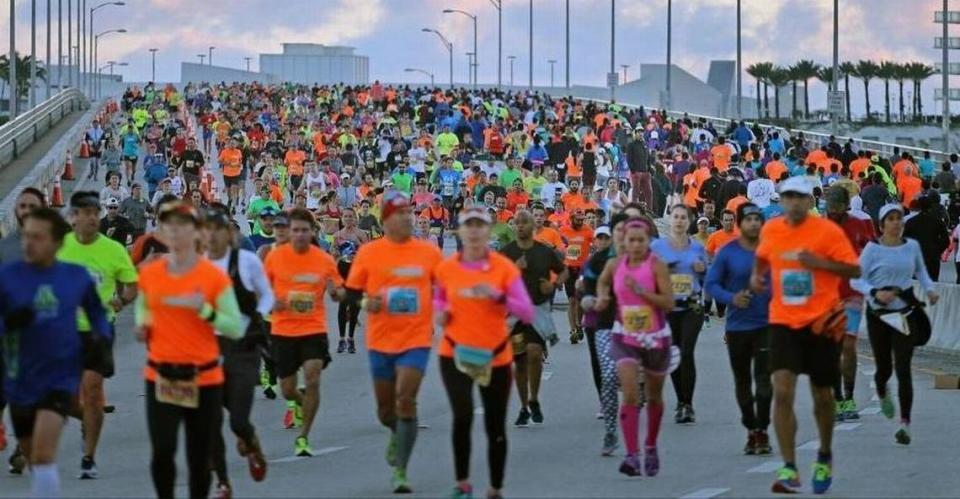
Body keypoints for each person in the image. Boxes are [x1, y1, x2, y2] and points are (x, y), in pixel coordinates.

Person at [749, 176, 860, 495]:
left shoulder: (827, 232)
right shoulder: (772, 229)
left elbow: (854, 271)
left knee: (823, 395)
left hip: (822, 322)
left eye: (801, 197)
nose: (794, 202)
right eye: (788, 197)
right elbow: (763, 256)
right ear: (781, 201)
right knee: (782, 390)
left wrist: (819, 263)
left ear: (811, 201)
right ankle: (790, 466)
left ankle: (824, 454)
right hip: (783, 321)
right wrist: (757, 277)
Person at [135, 201, 242, 499]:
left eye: (183, 226)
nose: (176, 233)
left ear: (196, 233)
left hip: (204, 378)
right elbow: (144, 308)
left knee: (198, 457)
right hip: (161, 376)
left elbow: (234, 327)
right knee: (163, 451)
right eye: (170, 227)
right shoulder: (151, 274)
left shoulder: (213, 277)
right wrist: (143, 326)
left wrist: (206, 312)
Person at [0, 208, 110, 497]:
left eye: (37, 237)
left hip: (59, 377)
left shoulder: (75, 277)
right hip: (20, 379)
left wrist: (100, 337)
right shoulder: (8, 276)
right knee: (32, 455)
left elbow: (98, 314)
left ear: (57, 242)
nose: (28, 243)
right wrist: (8, 323)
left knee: (44, 453)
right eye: (25, 237)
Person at [344, 191, 443, 493]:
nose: (407, 217)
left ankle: (401, 469)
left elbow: (446, 287)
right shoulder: (370, 253)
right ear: (386, 219)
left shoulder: (428, 253)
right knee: (386, 411)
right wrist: (365, 304)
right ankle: (395, 433)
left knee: (406, 399)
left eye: (409, 213)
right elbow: (351, 293)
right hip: (381, 340)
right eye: (399, 213)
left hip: (416, 338)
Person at [434, 207, 534, 499]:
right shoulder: (447, 268)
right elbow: (439, 299)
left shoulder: (503, 268)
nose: (475, 231)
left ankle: (495, 487)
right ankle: (462, 483)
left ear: (489, 232)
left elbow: (526, 311)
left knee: (494, 423)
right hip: (455, 351)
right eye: (469, 226)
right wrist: (441, 313)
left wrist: (498, 296)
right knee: (462, 415)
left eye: (480, 226)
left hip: (495, 354)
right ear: (460, 232)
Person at [56, 191, 138, 480]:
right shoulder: (60, 248)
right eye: (85, 212)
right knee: (64, 398)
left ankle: (88, 457)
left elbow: (131, 285)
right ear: (73, 217)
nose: (92, 217)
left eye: (96, 212)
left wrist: (123, 300)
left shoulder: (113, 249)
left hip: (99, 328)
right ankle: (85, 420)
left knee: (91, 390)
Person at [852, 204, 939, 446]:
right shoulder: (872, 249)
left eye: (899, 218)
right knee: (884, 369)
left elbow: (921, 272)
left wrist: (930, 291)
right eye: (890, 219)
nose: (896, 223)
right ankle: (881, 389)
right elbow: (856, 279)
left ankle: (905, 424)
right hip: (879, 314)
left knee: (903, 368)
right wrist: (875, 292)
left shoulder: (911, 247)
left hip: (905, 312)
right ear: (882, 225)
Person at [595, 218, 675, 477]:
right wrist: (603, 296)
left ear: (648, 242)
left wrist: (642, 292)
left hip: (655, 337)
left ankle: (650, 445)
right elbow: (603, 281)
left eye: (641, 240)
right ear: (624, 242)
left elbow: (668, 303)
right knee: (629, 394)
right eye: (632, 240)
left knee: (653, 396)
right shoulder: (615, 264)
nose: (637, 245)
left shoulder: (657, 266)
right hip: (625, 336)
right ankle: (632, 454)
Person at [264, 208, 346, 456]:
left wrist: (336, 293)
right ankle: (300, 403)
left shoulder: (323, 260)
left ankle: (303, 437)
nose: (299, 235)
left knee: (312, 377)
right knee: (287, 389)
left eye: (304, 230)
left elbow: (340, 292)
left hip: (313, 328)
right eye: (295, 230)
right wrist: (271, 302)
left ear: (312, 232)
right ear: (289, 232)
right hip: (284, 329)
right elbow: (262, 292)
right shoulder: (275, 258)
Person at [204, 208, 274, 497]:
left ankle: (251, 440)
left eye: (217, 231)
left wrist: (257, 315)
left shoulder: (245, 262)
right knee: (209, 417)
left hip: (243, 345)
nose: (211, 237)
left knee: (237, 420)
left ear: (229, 234)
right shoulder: (196, 265)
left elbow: (268, 294)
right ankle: (223, 481)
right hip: (207, 346)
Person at [705, 203, 773, 455]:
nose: (754, 223)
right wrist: (732, 298)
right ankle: (750, 428)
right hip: (737, 327)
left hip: (766, 324)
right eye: (749, 219)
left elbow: (780, 284)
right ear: (740, 223)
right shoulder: (727, 252)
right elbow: (711, 284)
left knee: (764, 381)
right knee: (743, 381)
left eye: (758, 218)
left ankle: (763, 430)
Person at [500, 210, 567, 427]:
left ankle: (534, 397)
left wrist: (554, 284)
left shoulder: (544, 252)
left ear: (532, 226)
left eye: (524, 222)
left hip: (537, 309)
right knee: (519, 361)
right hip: (514, 312)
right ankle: (523, 406)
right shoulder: (506, 253)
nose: (520, 226)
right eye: (516, 223)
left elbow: (563, 271)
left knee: (535, 352)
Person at [822, 186, 876, 422]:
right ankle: (837, 399)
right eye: (829, 207)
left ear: (845, 205)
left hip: (853, 294)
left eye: (836, 207)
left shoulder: (859, 225)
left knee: (849, 348)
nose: (832, 211)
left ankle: (849, 397)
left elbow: (874, 249)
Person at [651, 205, 707, 424]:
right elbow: (648, 273)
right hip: (667, 306)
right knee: (674, 354)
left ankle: (689, 403)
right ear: (670, 220)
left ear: (689, 221)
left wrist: (701, 269)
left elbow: (705, 278)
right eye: (676, 217)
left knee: (686, 351)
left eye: (684, 217)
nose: (680, 221)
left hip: (692, 305)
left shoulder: (697, 247)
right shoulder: (657, 247)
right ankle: (680, 401)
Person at [332, 207, 370, 354]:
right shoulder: (337, 235)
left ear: (355, 218)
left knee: (354, 306)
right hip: (342, 270)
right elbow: (333, 254)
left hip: (357, 271)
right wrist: (335, 253)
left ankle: (351, 338)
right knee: (343, 305)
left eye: (350, 216)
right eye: (345, 216)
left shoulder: (361, 234)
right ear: (342, 218)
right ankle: (341, 339)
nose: (348, 219)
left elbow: (367, 254)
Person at [559, 209, 594, 344]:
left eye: (582, 219)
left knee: (580, 302)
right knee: (572, 300)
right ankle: (573, 330)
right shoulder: (563, 230)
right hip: (568, 269)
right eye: (578, 219)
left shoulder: (587, 230)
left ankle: (579, 324)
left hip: (582, 270)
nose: (580, 222)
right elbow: (558, 247)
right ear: (572, 218)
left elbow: (595, 244)